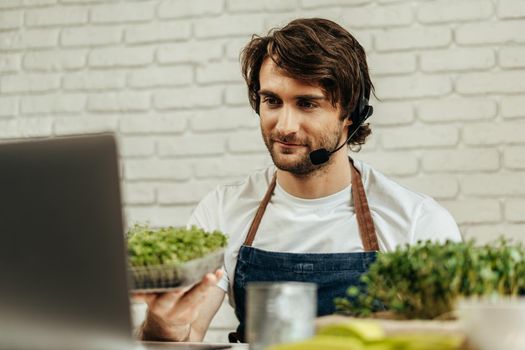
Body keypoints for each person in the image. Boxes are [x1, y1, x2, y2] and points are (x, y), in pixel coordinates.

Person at [135, 18, 462, 342]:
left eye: (307, 103)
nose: (285, 126)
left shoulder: (418, 223)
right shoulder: (222, 210)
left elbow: (455, 339)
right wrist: (165, 324)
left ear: (351, 113)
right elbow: (185, 337)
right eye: (272, 101)